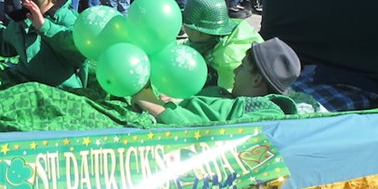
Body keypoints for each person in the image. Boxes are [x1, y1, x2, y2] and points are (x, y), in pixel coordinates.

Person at [133, 37, 326, 125]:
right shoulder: (231, 97)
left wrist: (154, 105)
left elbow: (218, 136)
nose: (235, 70)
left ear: (257, 80)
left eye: (242, 66)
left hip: (155, 117)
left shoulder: (267, 111)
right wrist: (177, 101)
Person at [181, 0, 262, 91]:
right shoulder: (216, 36)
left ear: (198, 31)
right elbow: (186, 46)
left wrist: (181, 100)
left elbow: (226, 97)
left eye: (186, 23)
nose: (183, 25)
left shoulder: (228, 57)